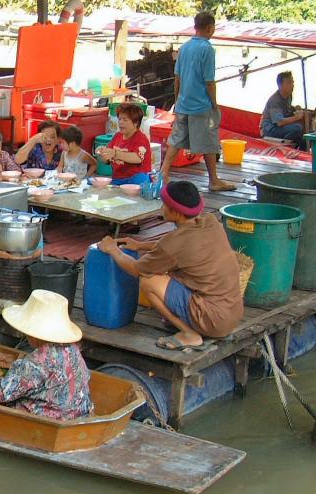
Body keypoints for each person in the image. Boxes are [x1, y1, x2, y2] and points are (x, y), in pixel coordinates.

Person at [98, 181, 243, 351]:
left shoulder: (175, 243)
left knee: (148, 281)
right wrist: (139, 245)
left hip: (213, 320)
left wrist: (113, 249)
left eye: (164, 205)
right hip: (232, 314)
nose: (162, 208)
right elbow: (176, 248)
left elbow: (136, 269)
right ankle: (190, 322)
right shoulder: (210, 222)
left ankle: (190, 334)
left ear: (175, 213)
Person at [0, 290, 93, 420]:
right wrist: (16, 362)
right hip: (79, 413)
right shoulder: (72, 349)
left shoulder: (36, 362)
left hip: (53, 420)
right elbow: (50, 373)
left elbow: (1, 393)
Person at [159, 12, 235, 192]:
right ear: (209, 27)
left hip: (184, 103)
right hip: (201, 104)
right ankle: (214, 179)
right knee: (209, 142)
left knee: (176, 140)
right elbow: (209, 81)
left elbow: (177, 78)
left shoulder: (184, 48)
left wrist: (177, 101)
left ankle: (163, 172)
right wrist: (214, 103)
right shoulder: (207, 49)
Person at [96, 103, 152, 185]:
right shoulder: (117, 136)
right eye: (119, 119)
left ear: (136, 122)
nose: (121, 122)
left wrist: (115, 153)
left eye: (125, 120)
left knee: (140, 178)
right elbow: (106, 160)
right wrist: (102, 153)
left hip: (136, 179)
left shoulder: (141, 138)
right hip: (118, 179)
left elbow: (138, 158)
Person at [260, 71, 306, 150]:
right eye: (289, 82)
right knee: (297, 127)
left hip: (280, 127)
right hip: (270, 129)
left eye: (292, 82)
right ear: (280, 85)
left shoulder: (288, 95)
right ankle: (286, 147)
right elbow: (279, 122)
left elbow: (286, 109)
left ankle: (303, 150)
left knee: (305, 125)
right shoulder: (275, 100)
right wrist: (297, 117)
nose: (292, 85)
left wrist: (295, 108)